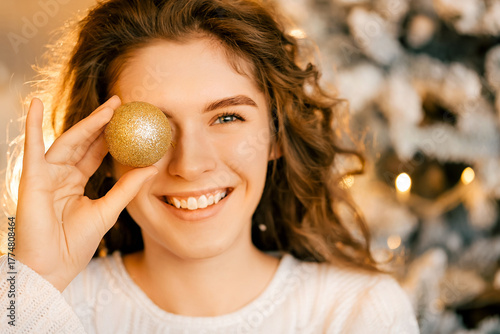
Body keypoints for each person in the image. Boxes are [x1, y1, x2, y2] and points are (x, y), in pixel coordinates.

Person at [0, 0, 419, 333]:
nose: (191, 164)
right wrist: (32, 279)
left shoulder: (359, 313)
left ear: (275, 136)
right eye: (153, 127)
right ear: (103, 154)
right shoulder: (33, 304)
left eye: (227, 117)